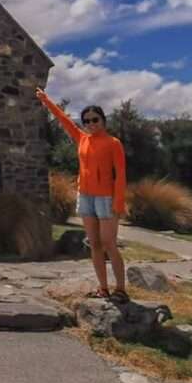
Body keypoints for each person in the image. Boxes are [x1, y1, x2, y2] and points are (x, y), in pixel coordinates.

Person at [36, 88, 128, 303]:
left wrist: (119, 202)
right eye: (86, 121)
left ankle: (121, 288)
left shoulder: (113, 143)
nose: (91, 124)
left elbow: (121, 174)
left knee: (109, 244)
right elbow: (63, 119)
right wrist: (46, 100)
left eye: (95, 120)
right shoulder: (82, 139)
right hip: (86, 197)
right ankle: (103, 287)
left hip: (106, 198)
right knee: (94, 244)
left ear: (103, 120)